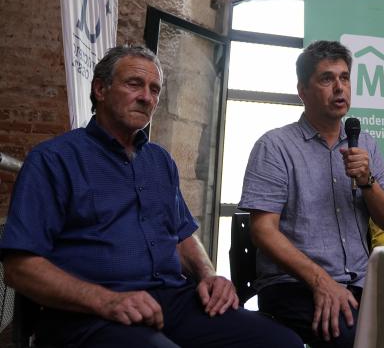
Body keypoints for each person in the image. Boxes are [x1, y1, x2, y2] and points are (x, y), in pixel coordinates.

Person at [0, 45, 302, 348]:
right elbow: (19, 268)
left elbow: (183, 236)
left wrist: (209, 275)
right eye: (134, 84)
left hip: (173, 301)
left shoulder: (159, 161)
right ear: (100, 89)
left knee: (281, 342)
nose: (147, 97)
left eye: (154, 89)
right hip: (90, 312)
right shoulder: (54, 160)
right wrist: (106, 301)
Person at [239, 40, 384, 348]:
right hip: (295, 285)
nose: (339, 87)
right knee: (360, 341)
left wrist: (367, 182)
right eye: (327, 79)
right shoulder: (275, 146)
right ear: (303, 91)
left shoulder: (364, 143)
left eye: (344, 77)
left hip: (362, 284)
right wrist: (321, 282)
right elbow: (262, 231)